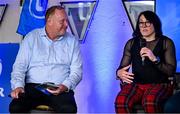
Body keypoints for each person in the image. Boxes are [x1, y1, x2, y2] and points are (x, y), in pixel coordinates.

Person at [9, 5, 82, 113]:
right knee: (15, 108)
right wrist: (18, 86)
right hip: (33, 87)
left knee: (69, 109)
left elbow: (77, 72)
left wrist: (65, 86)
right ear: (49, 21)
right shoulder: (31, 37)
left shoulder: (72, 42)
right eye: (62, 21)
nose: (67, 25)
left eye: (66, 20)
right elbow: (19, 66)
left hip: (60, 88)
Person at [115, 10, 176, 113]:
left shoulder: (166, 42)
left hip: (159, 84)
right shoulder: (131, 43)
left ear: (155, 24)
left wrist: (155, 59)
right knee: (120, 101)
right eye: (141, 22)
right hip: (136, 85)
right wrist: (119, 73)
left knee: (149, 101)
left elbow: (171, 71)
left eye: (147, 22)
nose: (144, 26)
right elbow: (122, 67)